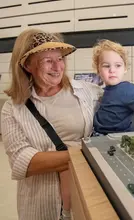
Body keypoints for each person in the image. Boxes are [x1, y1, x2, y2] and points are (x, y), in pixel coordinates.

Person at [1, 29, 103, 220]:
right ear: (27, 65)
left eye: (60, 59)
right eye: (48, 61)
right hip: (41, 202)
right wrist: (87, 154)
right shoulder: (13, 108)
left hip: (85, 195)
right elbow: (23, 162)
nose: (58, 67)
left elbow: (117, 101)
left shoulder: (85, 91)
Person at [92, 39, 134, 135]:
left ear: (125, 68)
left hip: (119, 139)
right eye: (106, 66)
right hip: (99, 137)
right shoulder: (100, 91)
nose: (112, 70)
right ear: (98, 69)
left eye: (118, 65)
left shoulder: (127, 89)